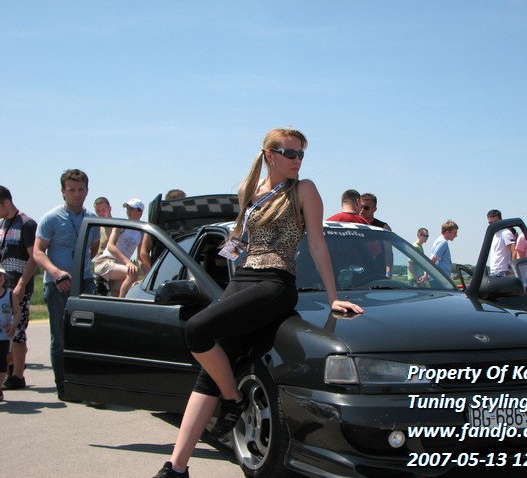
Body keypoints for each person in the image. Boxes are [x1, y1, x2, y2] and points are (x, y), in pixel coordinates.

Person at [153, 128, 363, 478]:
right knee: (208, 375)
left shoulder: (304, 189)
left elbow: (317, 244)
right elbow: (240, 241)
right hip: (243, 279)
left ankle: (233, 399)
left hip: (276, 282)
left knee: (197, 329)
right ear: (270, 155)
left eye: (301, 154)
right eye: (290, 154)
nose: (297, 160)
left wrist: (333, 297)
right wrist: (213, 268)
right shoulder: (248, 190)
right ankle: (176, 469)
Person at [33, 169, 100, 400]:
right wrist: (56, 273)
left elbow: (93, 249)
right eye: (71, 190)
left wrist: (79, 270)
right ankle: (64, 387)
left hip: (84, 283)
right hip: (57, 285)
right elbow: (38, 252)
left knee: (88, 336)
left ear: (87, 191)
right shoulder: (51, 218)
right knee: (60, 338)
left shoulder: (92, 219)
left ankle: (87, 386)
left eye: (81, 189)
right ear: (63, 191)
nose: (76, 194)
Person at [0, 186, 37, 391]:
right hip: (3, 288)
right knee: (6, 331)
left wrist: (22, 284)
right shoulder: (3, 224)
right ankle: (12, 368)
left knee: (18, 331)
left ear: (6, 202)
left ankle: (18, 376)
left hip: (18, 288)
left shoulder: (26, 224)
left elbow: (34, 256)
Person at [94, 199, 145, 297]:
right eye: (127, 208)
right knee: (133, 274)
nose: (128, 211)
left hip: (121, 267)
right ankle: (122, 303)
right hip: (107, 261)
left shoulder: (141, 232)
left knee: (116, 292)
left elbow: (140, 258)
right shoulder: (121, 225)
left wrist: (149, 274)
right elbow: (111, 246)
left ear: (140, 212)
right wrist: (128, 262)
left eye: (132, 209)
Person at [139, 189, 186, 274]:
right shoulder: (156, 224)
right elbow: (143, 252)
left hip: (183, 269)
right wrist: (154, 272)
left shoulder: (187, 224)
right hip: (163, 270)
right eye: (180, 202)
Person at [0, 265, 19, 401]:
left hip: (4, 336)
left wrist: (13, 325)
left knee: (2, 364)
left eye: (1, 275)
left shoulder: (10, 294)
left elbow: (17, 312)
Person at [487, 209, 516, 276]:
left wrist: (512, 269)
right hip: (494, 271)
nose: (493, 225)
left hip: (503, 271)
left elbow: (514, 251)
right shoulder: (494, 234)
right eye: (491, 223)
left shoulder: (506, 233)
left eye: (496, 222)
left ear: (501, 220)